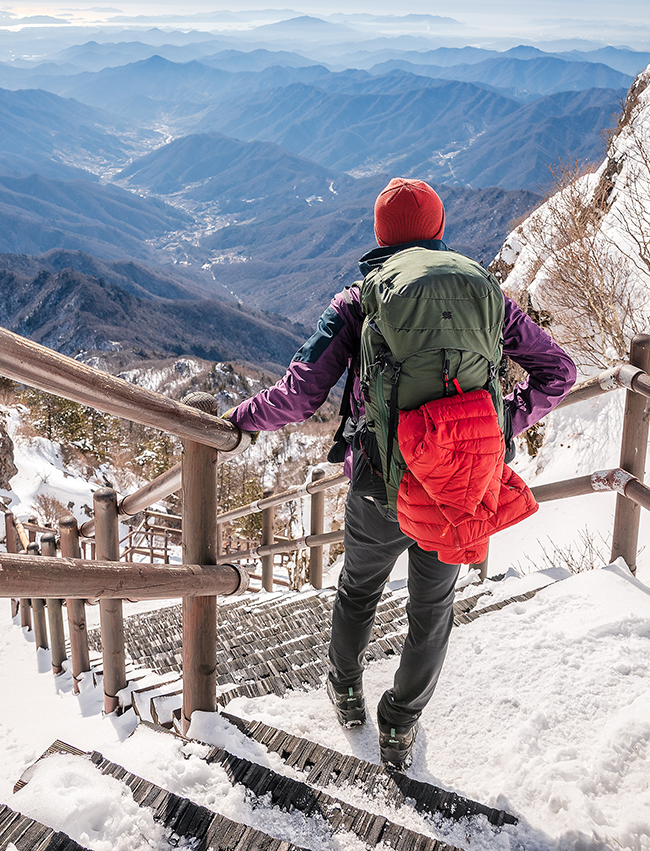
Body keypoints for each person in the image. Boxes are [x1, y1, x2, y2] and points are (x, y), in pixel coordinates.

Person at [224, 178, 576, 769]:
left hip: (379, 479)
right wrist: (498, 424)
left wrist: (239, 419)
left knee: (359, 589)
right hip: (460, 483)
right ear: (438, 232)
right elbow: (557, 372)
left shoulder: (359, 299)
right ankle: (399, 725)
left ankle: (344, 689)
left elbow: (299, 395)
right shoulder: (488, 294)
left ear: (380, 236)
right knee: (432, 609)